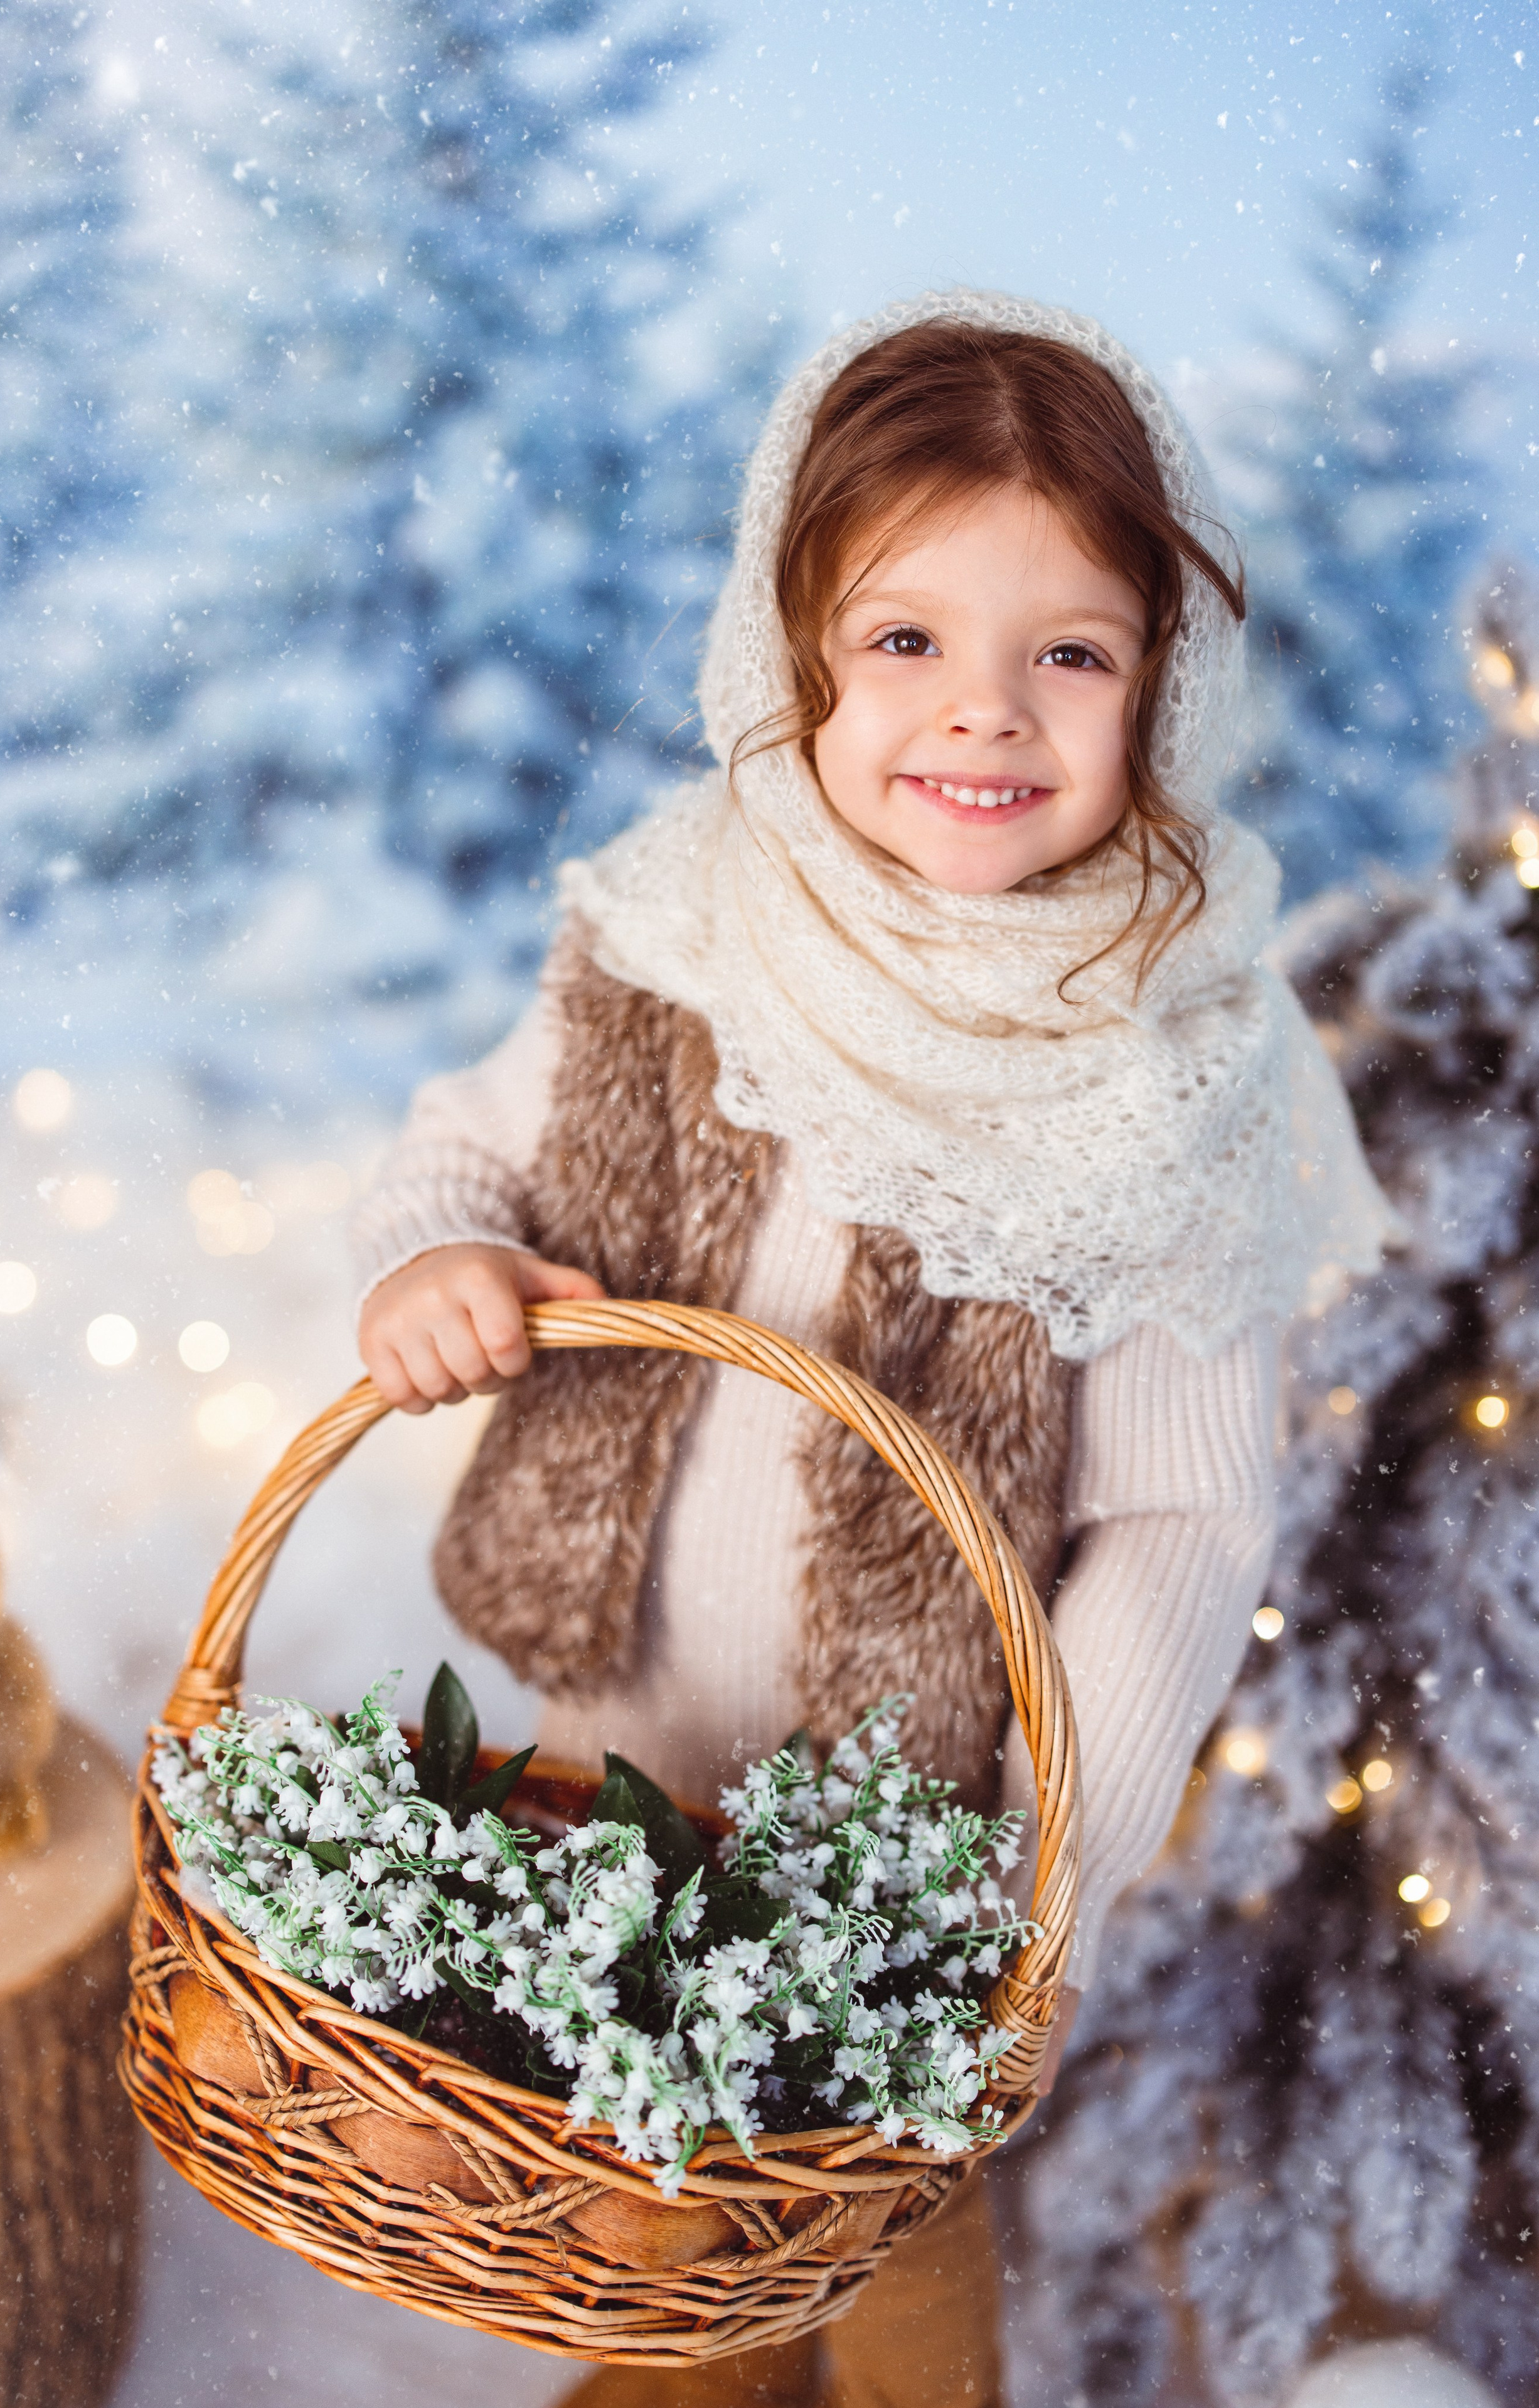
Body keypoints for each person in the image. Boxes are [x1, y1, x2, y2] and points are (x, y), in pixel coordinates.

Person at [352, 292, 1397, 2408]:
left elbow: (1186, 1522)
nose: (983, 716)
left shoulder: (1165, 1064)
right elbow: (463, 1148)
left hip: (907, 1853)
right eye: (906, 639)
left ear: (1163, 692)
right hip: (604, 1766)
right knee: (647, 2219)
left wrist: (1044, 1869)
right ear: (796, 649)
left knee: (878, 2243)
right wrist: (438, 1259)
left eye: (1071, 653)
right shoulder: (676, 928)